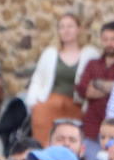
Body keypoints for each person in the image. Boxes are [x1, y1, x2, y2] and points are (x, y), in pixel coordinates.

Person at [26, 13, 100, 146]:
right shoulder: (50, 53)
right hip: (49, 105)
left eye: (70, 26)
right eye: (62, 27)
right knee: (44, 144)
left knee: (71, 143)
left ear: (79, 29)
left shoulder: (90, 54)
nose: (66, 30)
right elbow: (37, 79)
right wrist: (33, 102)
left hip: (76, 106)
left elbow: (96, 80)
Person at [76, 21, 114, 148]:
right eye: (105, 39)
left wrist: (98, 84)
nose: (109, 44)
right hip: (92, 128)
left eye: (113, 39)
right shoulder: (92, 64)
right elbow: (84, 90)